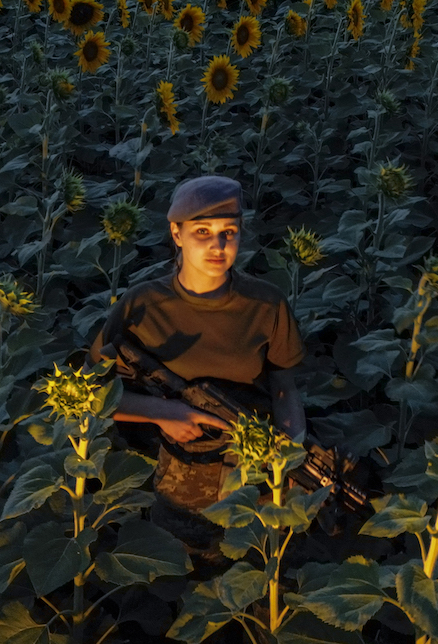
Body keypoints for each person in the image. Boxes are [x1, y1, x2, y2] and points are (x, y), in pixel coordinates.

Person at [88, 174, 305, 558]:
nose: (218, 245)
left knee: (256, 566)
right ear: (176, 234)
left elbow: (283, 384)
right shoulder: (141, 306)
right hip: (177, 475)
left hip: (250, 469)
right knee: (179, 568)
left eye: (229, 232)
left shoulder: (267, 303)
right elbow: (91, 393)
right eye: (202, 231)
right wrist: (161, 411)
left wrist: (290, 449)